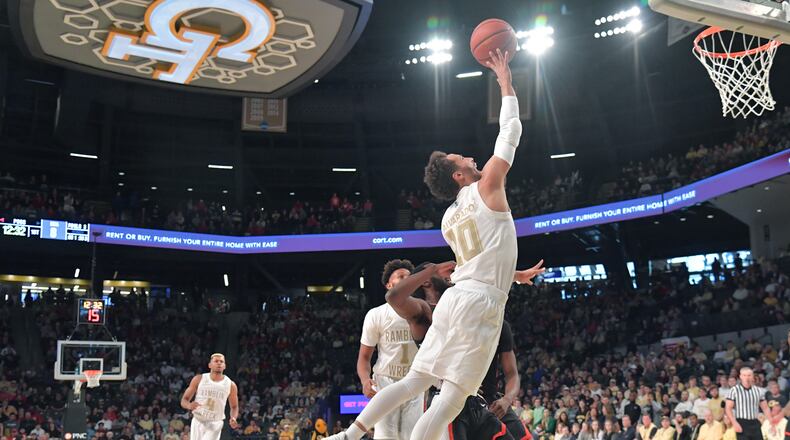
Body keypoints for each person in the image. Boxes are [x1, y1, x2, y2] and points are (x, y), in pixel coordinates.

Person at [326, 48, 537, 440]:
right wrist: (505, 81)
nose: (472, 156)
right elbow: (511, 132)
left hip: (456, 298)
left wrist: (515, 272)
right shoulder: (488, 185)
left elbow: (476, 257)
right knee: (451, 399)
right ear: (459, 174)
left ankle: (349, 435)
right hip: (481, 302)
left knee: (415, 381)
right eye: (463, 157)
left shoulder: (448, 218)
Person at [384, 261, 543, 440]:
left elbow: (512, 374)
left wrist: (514, 275)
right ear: (426, 281)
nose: (452, 272)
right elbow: (394, 297)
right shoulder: (425, 312)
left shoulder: (491, 320)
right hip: (447, 398)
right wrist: (431, 270)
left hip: (488, 401)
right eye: (447, 271)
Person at [358, 259, 421, 440]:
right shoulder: (376, 314)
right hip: (385, 381)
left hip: (415, 380)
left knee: (413, 436)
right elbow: (364, 357)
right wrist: (364, 380)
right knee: (386, 436)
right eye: (401, 277)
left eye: (409, 278)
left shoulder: (424, 310)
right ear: (388, 285)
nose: (406, 280)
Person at [180, 354, 240, 440]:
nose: (219, 363)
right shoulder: (199, 379)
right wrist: (189, 405)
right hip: (198, 420)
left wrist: (233, 417)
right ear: (209, 365)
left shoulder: (231, 385)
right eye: (216, 361)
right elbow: (184, 400)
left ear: (224, 366)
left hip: (215, 423)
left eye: (221, 361)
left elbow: (234, 406)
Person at [724, 368, 769, 440]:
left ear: (752, 376)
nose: (747, 378)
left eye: (749, 375)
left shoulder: (758, 390)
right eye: (744, 375)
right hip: (741, 422)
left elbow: (765, 408)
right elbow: (728, 408)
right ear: (740, 376)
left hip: (755, 421)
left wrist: (770, 422)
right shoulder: (734, 390)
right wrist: (734, 423)